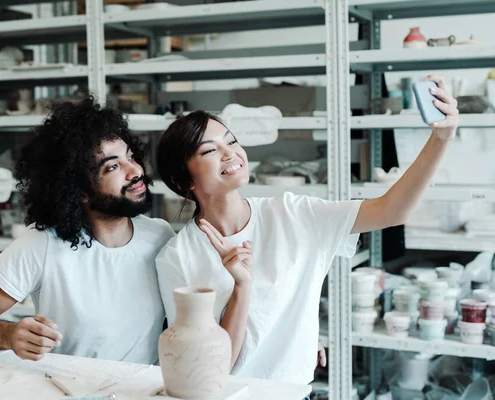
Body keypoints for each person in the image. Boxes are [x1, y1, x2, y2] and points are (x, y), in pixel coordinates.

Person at [155, 75, 458, 385]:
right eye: (209, 150)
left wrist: (441, 138)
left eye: (231, 142)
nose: (230, 153)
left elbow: (392, 210)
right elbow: (211, 373)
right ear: (183, 182)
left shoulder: (293, 214)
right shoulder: (177, 258)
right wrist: (241, 287)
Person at [0, 97, 175, 364]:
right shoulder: (42, 244)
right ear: (79, 192)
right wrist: (8, 334)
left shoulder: (161, 236)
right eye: (113, 166)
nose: (135, 170)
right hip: (69, 389)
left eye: (130, 156)